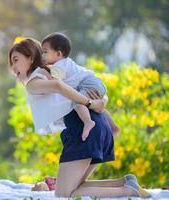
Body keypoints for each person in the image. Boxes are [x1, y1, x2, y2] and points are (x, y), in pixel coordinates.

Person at [8, 38, 151, 198]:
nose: (13, 67)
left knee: (63, 193)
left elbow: (59, 87)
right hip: (99, 127)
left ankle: (130, 191)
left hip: (83, 130)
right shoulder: (54, 71)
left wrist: (90, 103)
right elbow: (86, 84)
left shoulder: (34, 81)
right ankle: (125, 183)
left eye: (15, 60)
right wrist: (98, 103)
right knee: (74, 187)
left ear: (31, 57)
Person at [40, 32, 119, 141]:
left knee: (78, 102)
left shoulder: (58, 66)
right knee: (96, 106)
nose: (42, 56)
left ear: (58, 54)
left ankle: (88, 122)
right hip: (94, 82)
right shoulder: (65, 63)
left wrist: (43, 74)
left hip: (88, 83)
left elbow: (54, 84)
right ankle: (114, 127)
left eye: (45, 52)